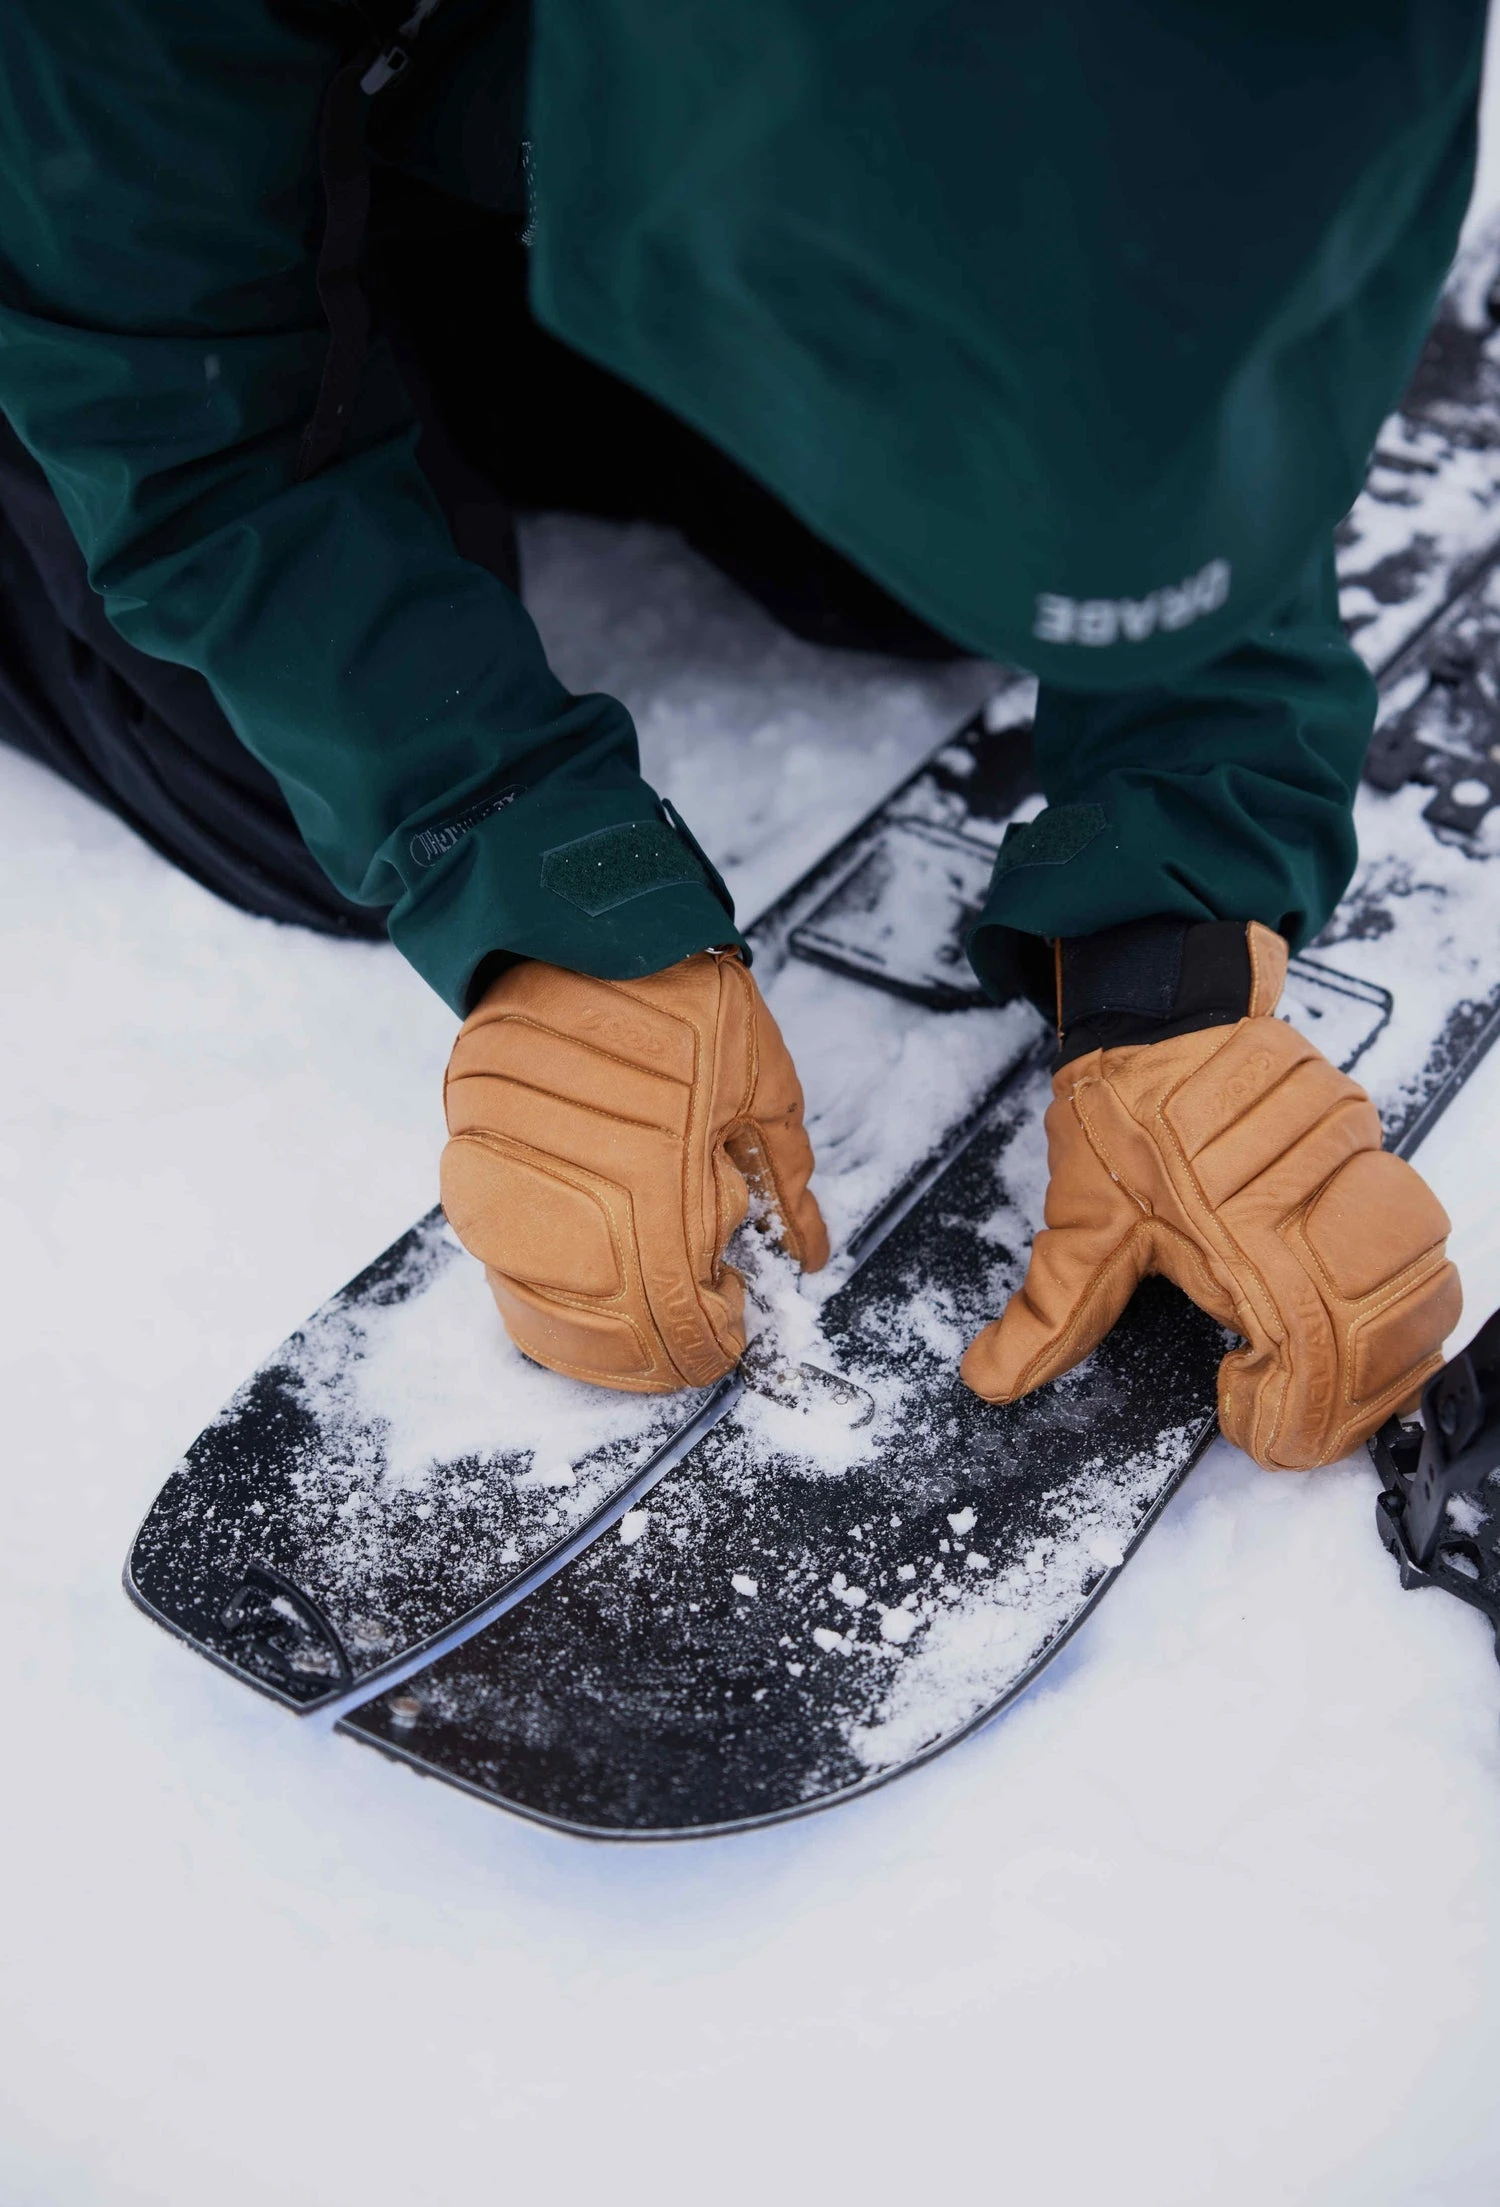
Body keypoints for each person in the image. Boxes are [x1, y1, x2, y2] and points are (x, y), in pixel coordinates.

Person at [0, 0, 1476, 1471]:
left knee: (945, 551)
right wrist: (511, 853)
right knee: (278, 785)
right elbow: (187, 411)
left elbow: (1197, 359)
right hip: (96, 204)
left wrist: (1178, 919)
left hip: (486, 125)